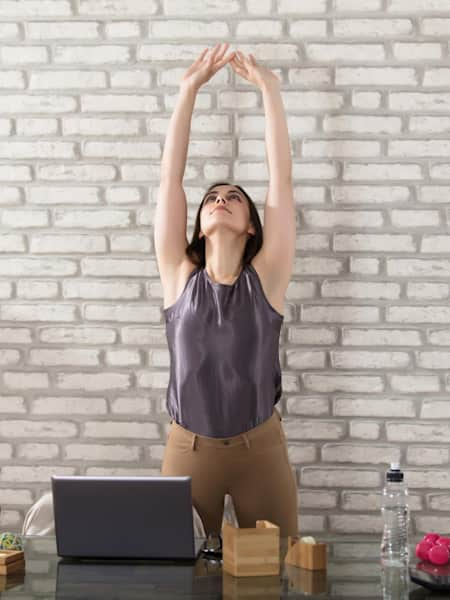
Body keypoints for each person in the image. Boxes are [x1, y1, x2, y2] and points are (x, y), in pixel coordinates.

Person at [154, 43, 298, 539]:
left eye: (234, 198)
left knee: (275, 576)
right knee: (176, 577)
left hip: (261, 450)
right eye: (212, 197)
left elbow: (281, 181)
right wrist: (187, 90)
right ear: (197, 225)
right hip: (187, 450)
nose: (220, 200)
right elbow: (170, 179)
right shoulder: (178, 276)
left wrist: (271, 92)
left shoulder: (268, 280)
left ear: (252, 228)